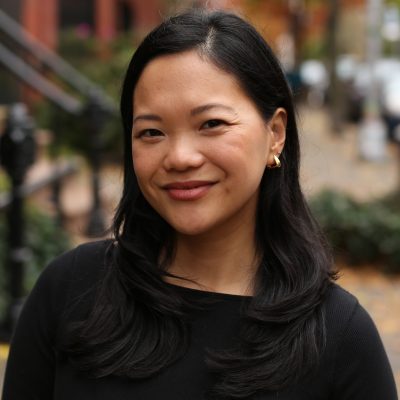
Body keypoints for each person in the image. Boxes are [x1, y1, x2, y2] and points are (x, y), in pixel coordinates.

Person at [2, 9, 398, 400]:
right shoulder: (70, 291)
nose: (180, 157)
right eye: (151, 132)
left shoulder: (339, 336)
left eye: (211, 124)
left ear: (275, 133)